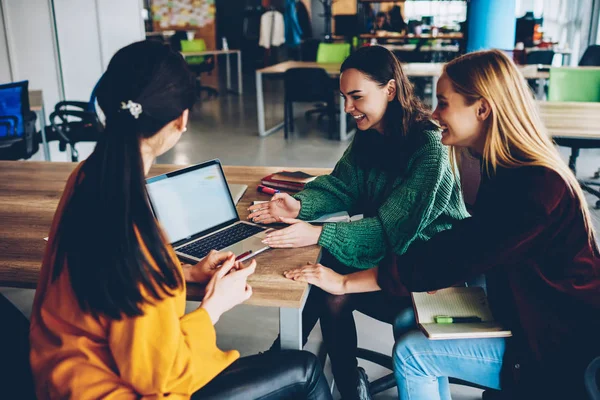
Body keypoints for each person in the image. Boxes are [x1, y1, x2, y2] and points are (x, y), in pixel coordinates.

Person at [286, 49, 600, 400]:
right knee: (405, 324)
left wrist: (344, 281)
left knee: (412, 355)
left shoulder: (534, 188)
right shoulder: (508, 169)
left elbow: (453, 252)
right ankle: (297, 368)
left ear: (482, 108)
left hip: (557, 343)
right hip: (522, 308)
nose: (434, 113)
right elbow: (468, 243)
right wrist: (302, 206)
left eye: (443, 103)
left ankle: (287, 368)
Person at [29, 40, 332, 400]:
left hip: (62, 374)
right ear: (182, 119)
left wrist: (184, 273)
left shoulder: (88, 178)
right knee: (305, 370)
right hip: (117, 389)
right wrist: (214, 305)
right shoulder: (135, 234)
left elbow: (113, 282)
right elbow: (161, 376)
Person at [248, 45, 469, 399]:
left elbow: (390, 232)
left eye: (356, 96)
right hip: (394, 258)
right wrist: (298, 206)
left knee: (326, 281)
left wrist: (318, 231)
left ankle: (294, 370)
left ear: (390, 90)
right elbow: (341, 186)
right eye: (344, 97)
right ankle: (302, 370)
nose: (348, 107)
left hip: (425, 275)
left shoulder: (429, 147)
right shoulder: (370, 134)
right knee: (319, 269)